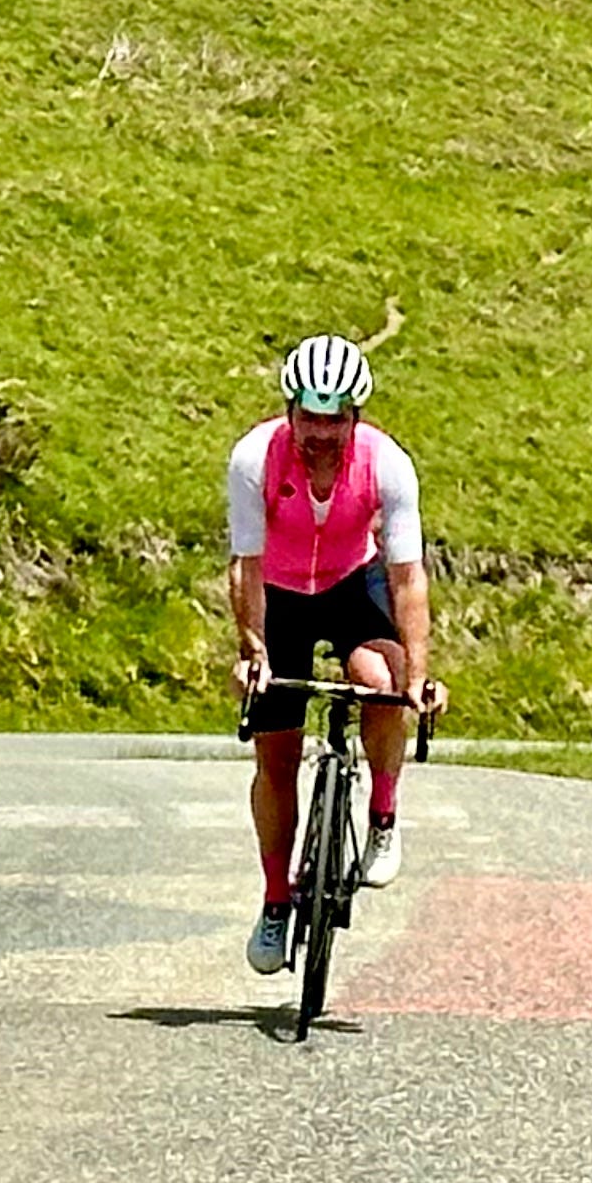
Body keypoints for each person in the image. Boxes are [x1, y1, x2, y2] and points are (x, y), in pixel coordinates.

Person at [227, 333, 444, 974]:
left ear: (356, 416)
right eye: (309, 417)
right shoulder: (254, 459)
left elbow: (408, 577)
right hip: (281, 593)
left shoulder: (387, 464)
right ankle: (275, 901)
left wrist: (421, 675)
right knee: (277, 753)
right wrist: (254, 648)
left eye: (335, 419)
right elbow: (245, 564)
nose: (320, 433)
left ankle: (381, 812)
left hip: (355, 582)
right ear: (290, 409)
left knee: (380, 678)